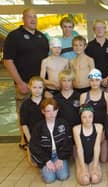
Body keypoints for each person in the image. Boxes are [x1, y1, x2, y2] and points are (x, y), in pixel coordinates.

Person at [3, 8, 49, 148]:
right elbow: (8, 61)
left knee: (41, 112)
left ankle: (40, 138)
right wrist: (20, 82)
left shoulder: (42, 37)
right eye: (30, 17)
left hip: (41, 85)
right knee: (24, 112)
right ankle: (24, 141)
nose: (33, 19)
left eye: (35, 17)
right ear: (23, 18)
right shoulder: (14, 36)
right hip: (24, 83)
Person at [29, 98, 73, 183]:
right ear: (43, 112)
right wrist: (46, 161)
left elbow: (68, 143)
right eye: (48, 111)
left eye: (54, 110)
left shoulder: (63, 124)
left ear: (57, 111)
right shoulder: (38, 127)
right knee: (50, 179)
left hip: (59, 154)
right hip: (45, 156)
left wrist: (61, 158)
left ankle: (58, 164)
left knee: (63, 176)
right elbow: (34, 147)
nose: (51, 114)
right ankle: (45, 168)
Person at [80, 68, 108, 162]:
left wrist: (104, 132)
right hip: (89, 129)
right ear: (89, 81)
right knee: (89, 159)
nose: (94, 83)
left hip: (102, 130)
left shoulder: (107, 96)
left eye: (97, 80)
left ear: (101, 80)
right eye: (92, 80)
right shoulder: (84, 96)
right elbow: (82, 117)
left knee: (103, 160)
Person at [73, 104, 103, 185]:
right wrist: (83, 168)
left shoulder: (99, 127)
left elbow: (97, 147)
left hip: (93, 157)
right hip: (81, 158)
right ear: (80, 118)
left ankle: (92, 166)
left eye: (90, 116)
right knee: (85, 180)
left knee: (95, 179)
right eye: (84, 117)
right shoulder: (76, 129)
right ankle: (83, 167)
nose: (87, 119)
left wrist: (95, 165)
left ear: (93, 116)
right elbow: (79, 149)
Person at [85, 20, 108, 88]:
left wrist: (107, 78)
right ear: (94, 30)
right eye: (97, 28)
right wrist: (96, 79)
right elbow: (87, 64)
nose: (99, 30)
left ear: (105, 29)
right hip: (94, 80)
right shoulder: (89, 46)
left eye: (101, 27)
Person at [20, 76, 45, 145]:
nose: (37, 90)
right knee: (31, 155)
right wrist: (29, 140)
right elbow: (24, 124)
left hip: (46, 136)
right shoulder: (25, 104)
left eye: (40, 87)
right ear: (29, 87)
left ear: (43, 88)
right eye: (34, 87)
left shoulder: (47, 102)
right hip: (31, 135)